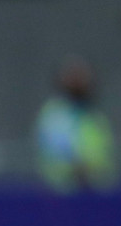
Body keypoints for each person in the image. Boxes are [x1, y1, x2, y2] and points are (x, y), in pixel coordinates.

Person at [36, 56, 115, 193]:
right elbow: (51, 153)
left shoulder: (95, 117)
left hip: (95, 191)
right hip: (61, 192)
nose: (78, 81)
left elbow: (105, 156)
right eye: (73, 77)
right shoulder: (53, 114)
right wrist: (75, 169)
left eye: (82, 77)